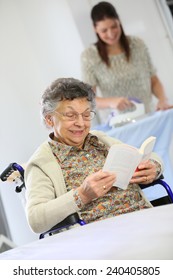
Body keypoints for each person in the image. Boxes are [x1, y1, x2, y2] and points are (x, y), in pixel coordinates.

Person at [25, 77, 163, 234]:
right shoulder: (42, 163)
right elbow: (35, 219)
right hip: (101, 238)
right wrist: (82, 195)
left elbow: (142, 155)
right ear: (49, 119)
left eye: (86, 115)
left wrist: (153, 167)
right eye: (70, 115)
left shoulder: (100, 139)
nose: (81, 123)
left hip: (143, 219)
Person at [81, 1, 170, 122]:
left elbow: (153, 80)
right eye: (104, 30)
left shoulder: (137, 45)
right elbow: (88, 99)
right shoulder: (90, 56)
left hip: (149, 117)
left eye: (114, 26)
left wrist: (163, 100)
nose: (111, 34)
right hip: (119, 124)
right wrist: (110, 102)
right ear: (95, 29)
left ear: (119, 21)